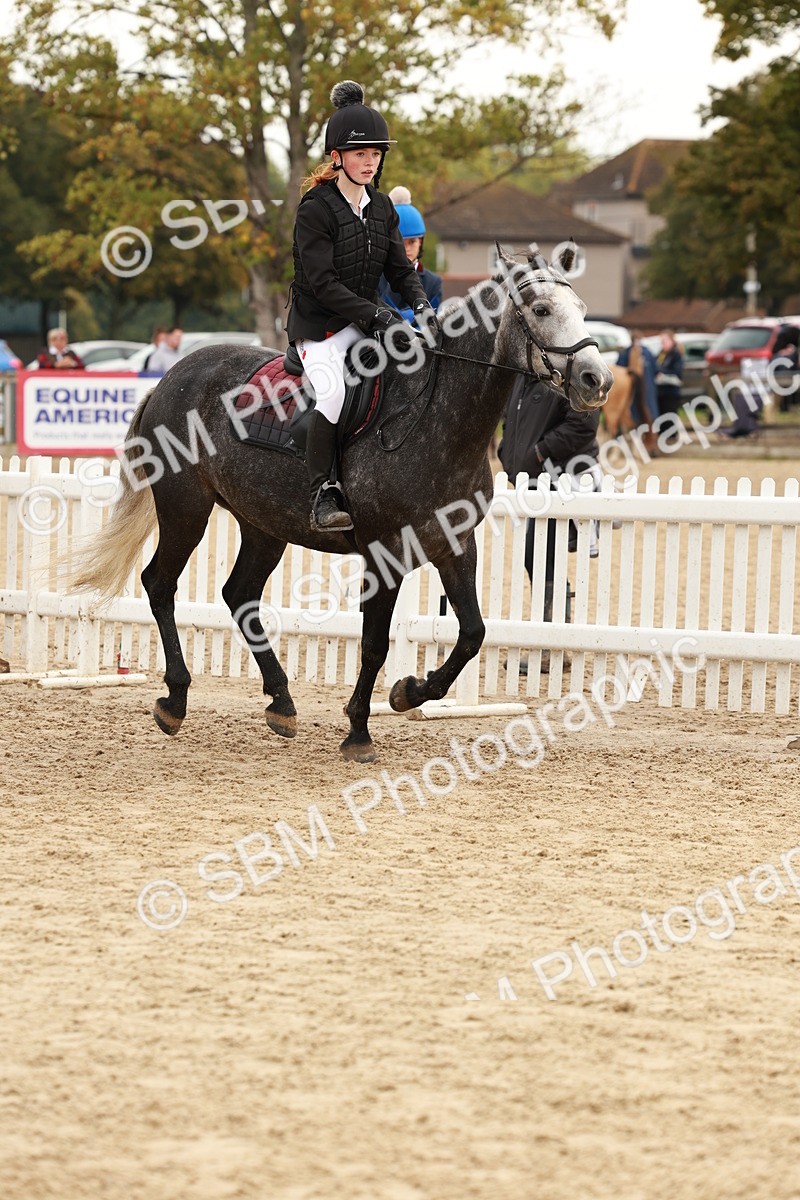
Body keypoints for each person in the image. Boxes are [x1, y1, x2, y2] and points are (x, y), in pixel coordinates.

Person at [286, 80, 438, 532]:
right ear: (337, 157)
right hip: (319, 327)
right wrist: (378, 315)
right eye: (360, 154)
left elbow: (400, 270)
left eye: (375, 153)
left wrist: (421, 305)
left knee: (413, 371)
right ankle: (321, 493)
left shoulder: (383, 208)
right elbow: (324, 284)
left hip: (363, 321)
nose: (370, 161)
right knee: (332, 390)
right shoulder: (315, 209)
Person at [499, 376, 600, 674]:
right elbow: (511, 418)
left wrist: (540, 452)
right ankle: (555, 641)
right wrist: (508, 452)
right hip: (536, 483)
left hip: (562, 480)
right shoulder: (522, 376)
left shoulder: (568, 373)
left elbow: (583, 425)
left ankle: (552, 647)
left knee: (542, 557)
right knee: (539, 558)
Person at [378, 186, 442, 322]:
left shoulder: (433, 282)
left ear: (420, 242)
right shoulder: (376, 278)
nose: (406, 249)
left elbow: (436, 319)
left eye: (412, 242)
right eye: (400, 243)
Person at [654, 330, 684, 417]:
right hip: (660, 393)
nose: (662, 343)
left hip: (671, 393)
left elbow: (677, 372)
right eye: (661, 341)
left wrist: (663, 374)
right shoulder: (661, 354)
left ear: (671, 341)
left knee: (669, 421)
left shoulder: (676, 354)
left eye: (664, 341)